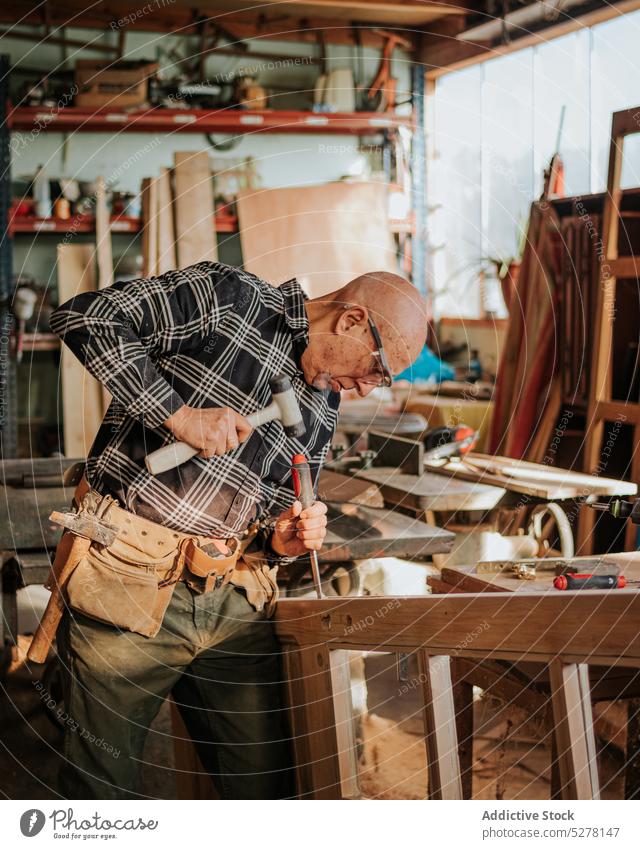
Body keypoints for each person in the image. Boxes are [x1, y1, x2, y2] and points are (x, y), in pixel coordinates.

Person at [49, 262, 427, 799]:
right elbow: (89, 316)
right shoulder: (231, 298)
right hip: (128, 576)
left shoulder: (324, 399)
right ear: (351, 321)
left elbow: (280, 505)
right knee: (99, 791)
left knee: (266, 788)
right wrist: (177, 416)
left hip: (231, 597)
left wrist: (283, 538)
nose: (368, 389)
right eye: (377, 370)